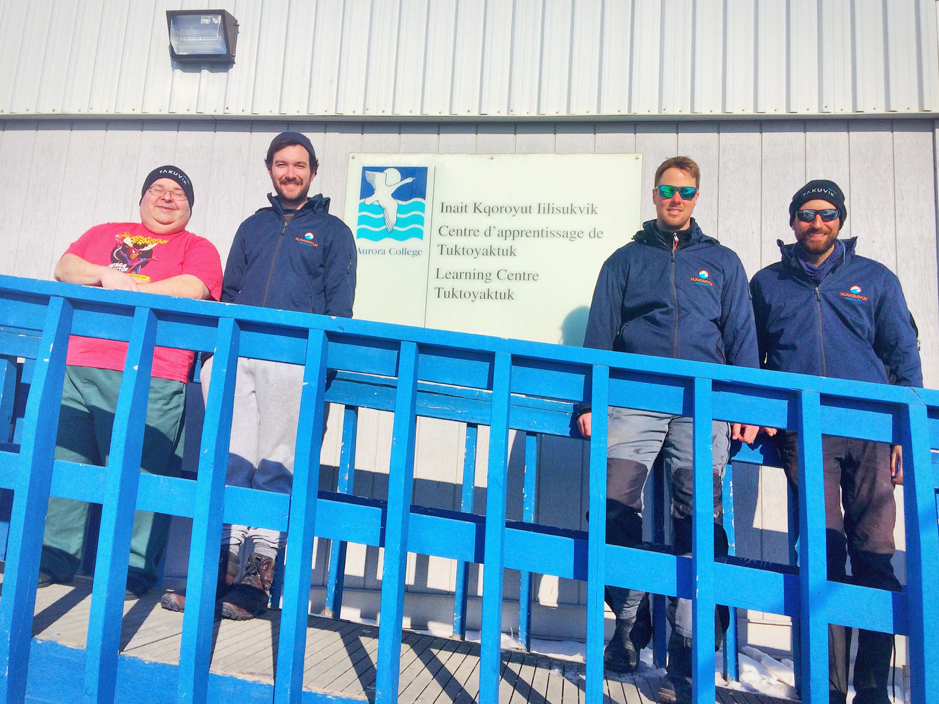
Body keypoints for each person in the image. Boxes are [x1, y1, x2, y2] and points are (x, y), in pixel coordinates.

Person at [577, 156, 759, 702]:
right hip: (633, 399)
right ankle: (629, 624)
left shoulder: (722, 262)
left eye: (685, 191)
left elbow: (742, 336)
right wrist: (592, 399)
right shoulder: (625, 261)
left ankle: (685, 659)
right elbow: (600, 334)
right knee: (610, 510)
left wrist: (748, 403)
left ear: (696, 197)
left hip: (700, 408)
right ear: (654, 195)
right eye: (666, 190)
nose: (675, 199)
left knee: (699, 522)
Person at [161, 132, 356, 620]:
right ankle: (218, 574)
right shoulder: (253, 226)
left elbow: (340, 309)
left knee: (276, 466)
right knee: (232, 463)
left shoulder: (333, 231)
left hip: (293, 362)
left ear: (313, 171)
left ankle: (256, 581)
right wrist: (215, 357)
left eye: (299, 164)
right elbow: (229, 292)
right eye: (281, 164)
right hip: (239, 357)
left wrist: (321, 367)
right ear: (270, 168)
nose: (290, 172)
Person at [750, 180, 920, 704]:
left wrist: (902, 433)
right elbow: (749, 354)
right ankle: (825, 688)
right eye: (805, 213)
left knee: (874, 554)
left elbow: (903, 355)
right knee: (823, 554)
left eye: (826, 213)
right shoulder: (768, 283)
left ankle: (871, 688)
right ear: (792, 220)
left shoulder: (875, 279)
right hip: (807, 434)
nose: (816, 222)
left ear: (840, 220)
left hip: (871, 433)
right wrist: (761, 415)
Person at [42, 165, 223, 599]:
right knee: (68, 465)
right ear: (141, 199)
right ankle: (53, 559)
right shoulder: (105, 231)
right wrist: (105, 274)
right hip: (78, 363)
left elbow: (195, 287)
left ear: (189, 206)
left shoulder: (198, 246)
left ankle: (133, 573)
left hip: (154, 373)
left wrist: (135, 288)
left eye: (177, 192)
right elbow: (65, 267)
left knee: (145, 475)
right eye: (157, 189)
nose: (166, 197)